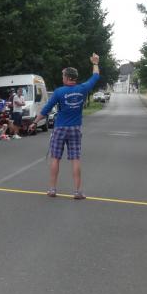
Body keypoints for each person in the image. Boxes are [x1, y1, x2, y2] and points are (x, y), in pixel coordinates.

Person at [32, 54, 100, 200]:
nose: (62, 77)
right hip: (75, 128)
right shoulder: (83, 88)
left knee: (55, 158)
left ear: (68, 77)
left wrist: (35, 122)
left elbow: (46, 109)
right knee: (75, 159)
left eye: (63, 75)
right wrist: (95, 63)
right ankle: (77, 192)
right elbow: (95, 77)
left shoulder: (59, 92)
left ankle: (52, 189)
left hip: (60, 128)